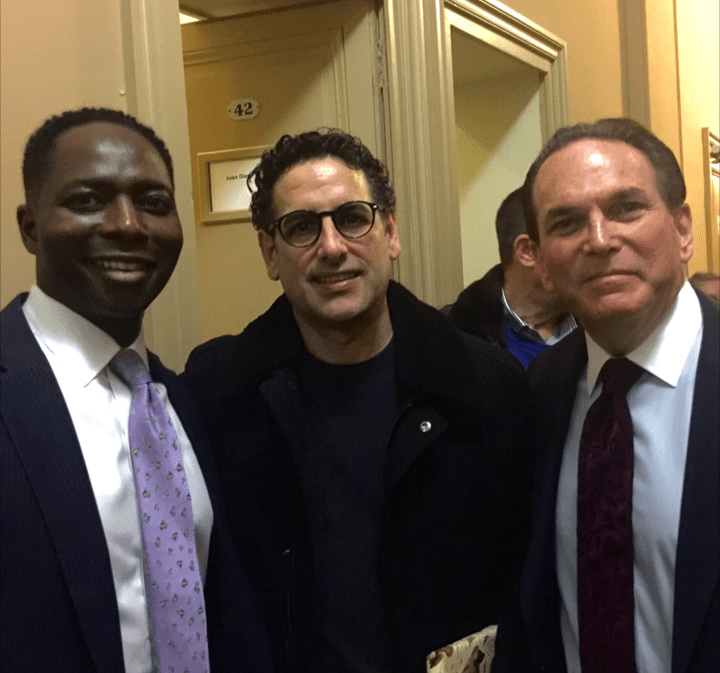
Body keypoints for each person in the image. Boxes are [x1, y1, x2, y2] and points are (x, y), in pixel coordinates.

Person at [182, 129, 531, 673]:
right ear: (270, 253)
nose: (331, 247)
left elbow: (523, 585)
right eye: (301, 227)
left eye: (352, 218)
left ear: (390, 232)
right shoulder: (220, 393)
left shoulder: (485, 389)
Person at [0, 108, 273, 673]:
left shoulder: (182, 402)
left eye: (153, 202)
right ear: (30, 227)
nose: (128, 224)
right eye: (88, 200)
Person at [493, 118, 719, 673]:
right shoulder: (540, 391)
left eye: (626, 208)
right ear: (540, 262)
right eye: (566, 223)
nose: (599, 240)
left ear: (683, 230)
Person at [446, 188, 575, 367]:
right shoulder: (451, 340)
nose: (591, 245)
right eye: (570, 232)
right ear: (527, 251)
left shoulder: (607, 327)